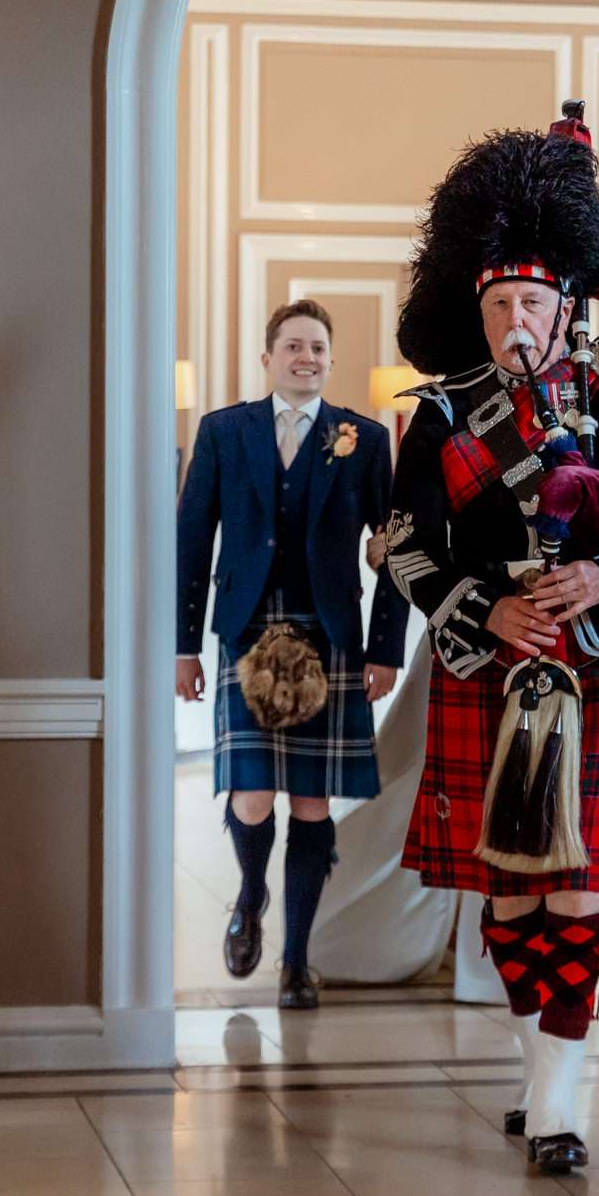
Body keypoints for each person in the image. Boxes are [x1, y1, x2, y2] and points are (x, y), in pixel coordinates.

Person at [385, 109, 599, 1175]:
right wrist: (481, 608)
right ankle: (542, 1066)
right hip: (490, 666)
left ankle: (557, 1096)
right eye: (496, 305)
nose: (514, 322)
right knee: (515, 888)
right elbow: (403, 545)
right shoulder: (443, 418)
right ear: (476, 311)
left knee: (579, 883)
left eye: (530, 301)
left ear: (563, 302)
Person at [175, 298, 411, 1009]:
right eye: (293, 346)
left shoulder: (364, 439)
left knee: (311, 803)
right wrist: (183, 646)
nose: (306, 357)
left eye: (317, 348)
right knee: (251, 795)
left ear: (329, 360)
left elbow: (395, 547)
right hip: (246, 629)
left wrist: (385, 647)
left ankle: (297, 959)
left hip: (330, 631)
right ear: (267, 357)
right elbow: (191, 543)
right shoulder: (223, 432)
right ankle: (251, 894)